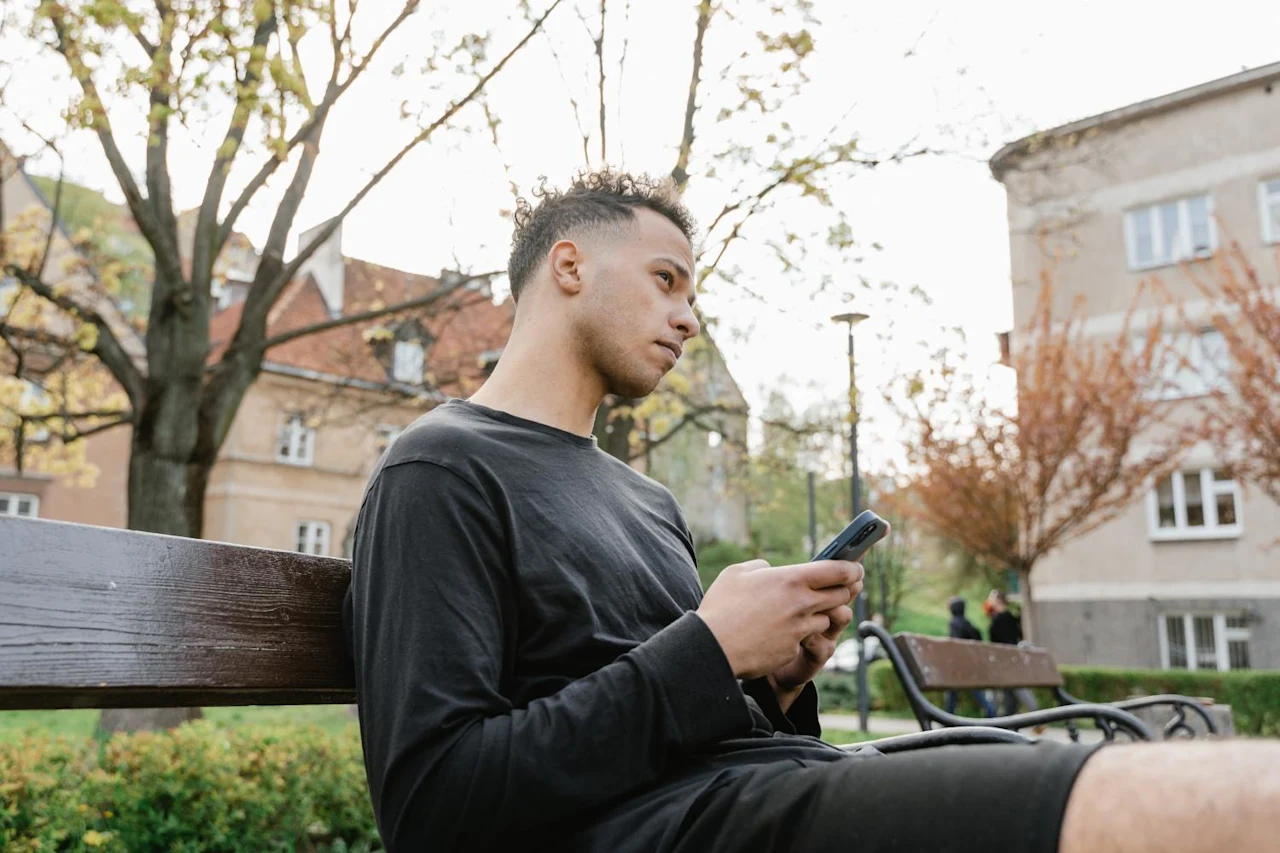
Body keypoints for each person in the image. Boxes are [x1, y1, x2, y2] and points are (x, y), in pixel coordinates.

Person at [343, 170, 1280, 853]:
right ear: (570, 265)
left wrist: (775, 683)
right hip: (661, 827)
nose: (689, 316)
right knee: (1188, 803)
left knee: (1140, 766)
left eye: (693, 291)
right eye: (667, 279)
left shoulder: (645, 500)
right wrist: (710, 648)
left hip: (752, 790)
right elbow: (434, 805)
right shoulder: (441, 468)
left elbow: (696, 726)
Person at [988, 588, 1040, 716]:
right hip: (1012, 658)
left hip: (1004, 661)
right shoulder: (1010, 617)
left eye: (991, 598)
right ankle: (1015, 718)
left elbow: (997, 642)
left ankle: (1034, 712)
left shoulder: (999, 620)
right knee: (1010, 694)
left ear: (998, 600)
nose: (989, 600)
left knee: (1013, 691)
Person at [945, 596, 998, 718]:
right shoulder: (968, 624)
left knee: (953, 691)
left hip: (959, 667)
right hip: (971, 666)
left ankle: (948, 717)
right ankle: (990, 712)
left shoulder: (954, 624)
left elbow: (955, 645)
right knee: (972, 691)